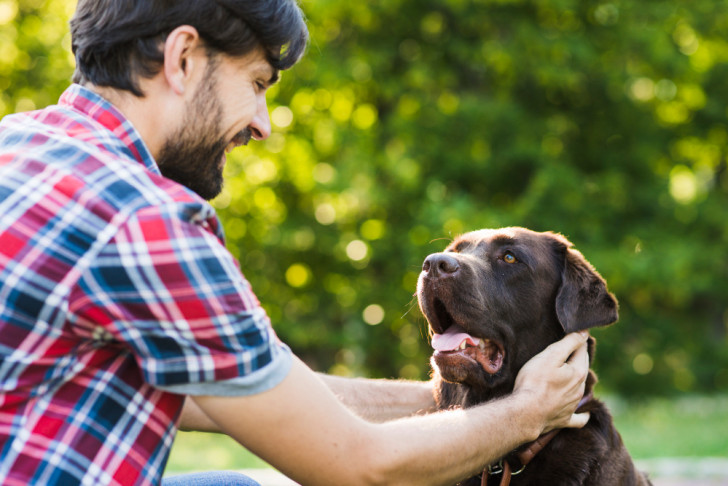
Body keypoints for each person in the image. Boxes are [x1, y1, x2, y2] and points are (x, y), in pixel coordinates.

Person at [0, 1, 591, 485]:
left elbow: (251, 397)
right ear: (181, 57)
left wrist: (450, 395)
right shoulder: (148, 223)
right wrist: (525, 412)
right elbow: (359, 466)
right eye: (257, 83)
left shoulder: (21, 144)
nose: (264, 122)